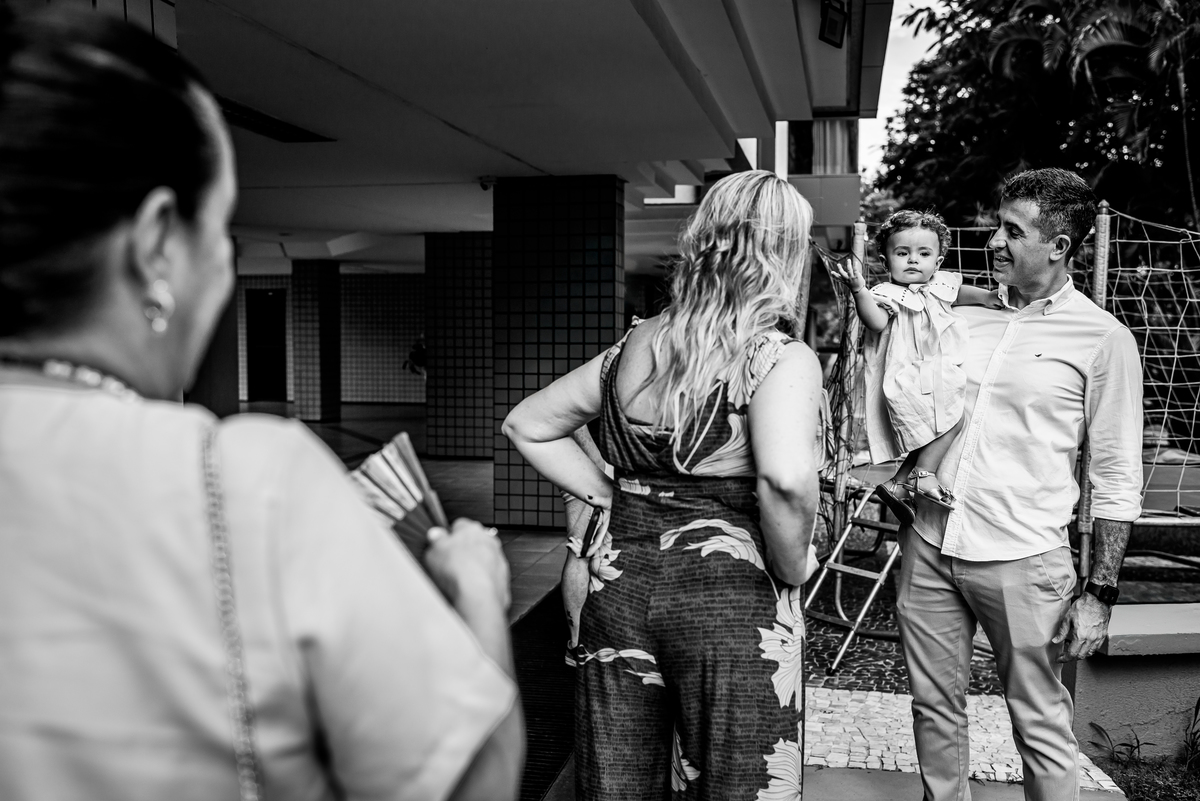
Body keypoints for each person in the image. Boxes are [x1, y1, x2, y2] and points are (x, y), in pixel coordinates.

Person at [0, 8, 522, 801]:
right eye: (222, 234)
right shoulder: (244, 484)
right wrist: (478, 589)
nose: (223, 270)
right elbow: (472, 782)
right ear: (152, 246)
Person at [504, 170, 824, 800]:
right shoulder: (778, 358)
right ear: (785, 251)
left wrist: (610, 495)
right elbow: (786, 481)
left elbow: (527, 423)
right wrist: (794, 565)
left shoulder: (631, 346)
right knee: (741, 781)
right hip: (733, 599)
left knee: (617, 777)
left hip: (619, 587)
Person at [896, 168, 1143, 801]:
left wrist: (1101, 591)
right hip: (928, 543)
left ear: (1060, 246)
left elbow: (1115, 475)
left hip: (1024, 559)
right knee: (933, 712)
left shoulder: (1103, 339)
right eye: (996, 226)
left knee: (1039, 725)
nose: (995, 242)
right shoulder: (956, 315)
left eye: (1013, 231)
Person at [832, 210, 1000, 524]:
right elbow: (876, 321)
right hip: (908, 377)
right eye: (902, 253)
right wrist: (859, 291)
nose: (913, 260)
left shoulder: (940, 285)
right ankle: (923, 475)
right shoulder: (885, 294)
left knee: (934, 430)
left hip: (933, 376)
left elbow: (957, 293)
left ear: (937, 262)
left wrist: (987, 298)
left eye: (923, 254)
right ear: (885, 262)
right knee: (952, 421)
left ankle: (897, 484)